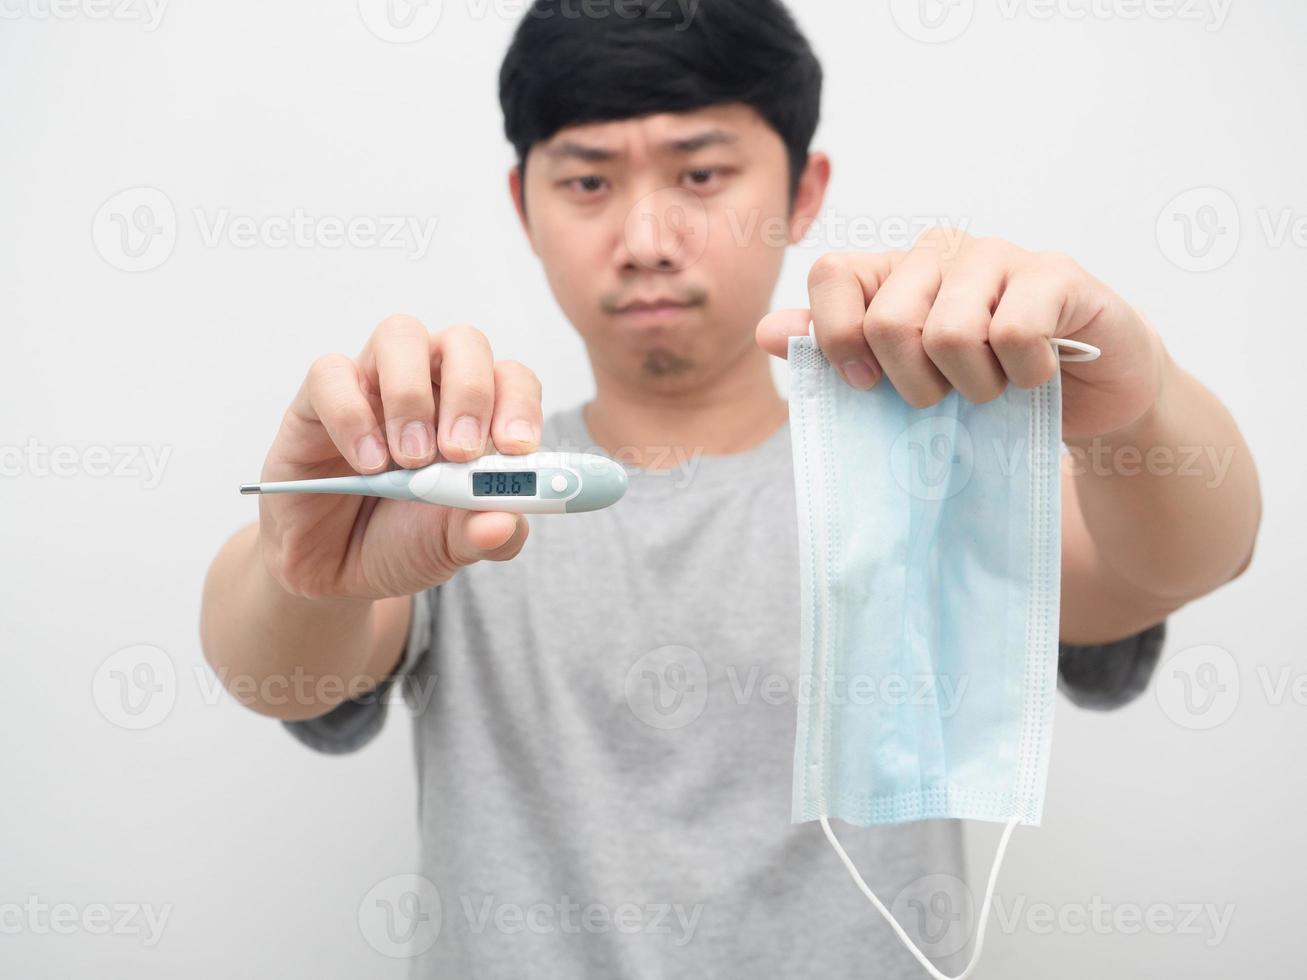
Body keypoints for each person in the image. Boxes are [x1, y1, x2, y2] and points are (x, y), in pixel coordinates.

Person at [199, 0, 1261, 975]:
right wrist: (302, 561)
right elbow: (278, 666)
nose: (646, 241)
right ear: (523, 207)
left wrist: (1137, 395)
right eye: (586, 182)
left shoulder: (913, 477)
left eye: (700, 174)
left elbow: (1172, 559)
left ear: (801, 191)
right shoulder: (452, 499)